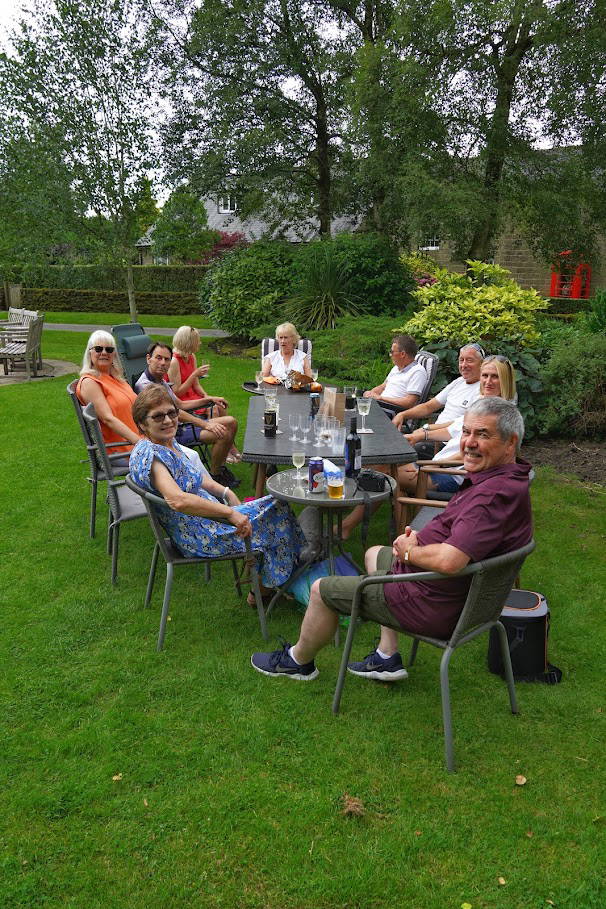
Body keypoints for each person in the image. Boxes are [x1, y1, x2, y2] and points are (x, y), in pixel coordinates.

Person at [251, 397, 532, 681]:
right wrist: (422, 541)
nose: (469, 442)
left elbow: (450, 561)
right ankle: (387, 657)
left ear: (510, 443)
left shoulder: (490, 498)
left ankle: (298, 662)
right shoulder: (508, 480)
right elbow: (464, 542)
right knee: (374, 553)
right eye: (467, 432)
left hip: (431, 602)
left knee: (320, 590)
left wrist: (410, 552)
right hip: (450, 591)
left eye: (482, 434)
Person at [129, 385, 306, 600]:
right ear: (142, 423)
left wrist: (227, 492)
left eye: (172, 413)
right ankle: (265, 589)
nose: (168, 420)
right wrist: (229, 513)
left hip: (209, 521)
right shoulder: (153, 457)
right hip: (202, 535)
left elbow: (194, 475)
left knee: (277, 505)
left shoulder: (165, 442)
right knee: (278, 514)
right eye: (158, 416)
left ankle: (276, 578)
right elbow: (178, 500)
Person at [397, 354, 517, 495]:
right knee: (389, 464)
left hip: (454, 475)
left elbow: (475, 452)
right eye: (485, 376)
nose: (488, 381)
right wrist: (419, 436)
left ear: (505, 380)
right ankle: (402, 506)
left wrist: (434, 465)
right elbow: (451, 431)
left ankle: (402, 502)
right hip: (439, 466)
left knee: (387, 474)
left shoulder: (499, 415)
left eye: (495, 377)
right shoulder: (481, 404)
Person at [135, 342, 240, 486]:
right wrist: (204, 424)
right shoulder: (146, 386)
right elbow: (173, 413)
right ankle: (215, 475)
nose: (163, 363)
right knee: (223, 433)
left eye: (167, 359)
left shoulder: (161, 381)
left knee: (231, 422)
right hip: (172, 431)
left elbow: (180, 404)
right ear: (149, 359)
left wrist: (209, 399)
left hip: (183, 425)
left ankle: (220, 468)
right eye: (158, 358)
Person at [168, 325, 241, 463]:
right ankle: (221, 446)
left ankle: (229, 446)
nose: (200, 343)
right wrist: (194, 374)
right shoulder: (174, 361)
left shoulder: (191, 356)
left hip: (193, 396)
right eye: (197, 340)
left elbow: (196, 385)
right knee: (214, 408)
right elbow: (177, 392)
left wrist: (207, 397)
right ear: (189, 342)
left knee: (219, 406)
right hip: (183, 400)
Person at [392, 343, 484, 441]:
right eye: (461, 360)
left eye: (469, 360)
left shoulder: (483, 390)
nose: (464, 365)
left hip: (448, 441)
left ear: (482, 364)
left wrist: (427, 429)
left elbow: (462, 424)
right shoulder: (459, 382)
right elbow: (428, 407)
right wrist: (402, 415)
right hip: (431, 436)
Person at [76, 330, 140, 455]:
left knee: (180, 455)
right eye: (98, 349)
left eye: (109, 349)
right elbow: (108, 418)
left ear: (114, 354)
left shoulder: (116, 378)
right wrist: (140, 443)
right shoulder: (90, 382)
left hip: (140, 440)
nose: (104, 353)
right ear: (90, 352)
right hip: (122, 449)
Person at [362, 334, 427, 416]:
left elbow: (409, 402)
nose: (390, 355)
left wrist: (381, 398)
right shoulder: (396, 368)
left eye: (392, 352)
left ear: (402, 354)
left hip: (390, 413)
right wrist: (371, 393)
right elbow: (383, 386)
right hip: (379, 407)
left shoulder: (417, 372)